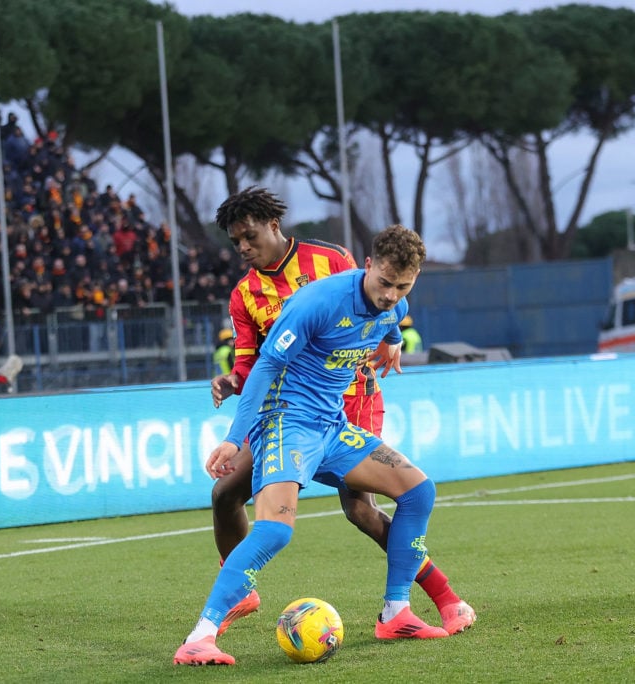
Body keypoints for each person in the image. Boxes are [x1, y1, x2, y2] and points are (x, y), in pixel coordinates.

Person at [175, 224, 453, 666]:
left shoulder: (395, 301)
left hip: (332, 426)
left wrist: (394, 344)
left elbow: (389, 320)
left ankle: (396, 611)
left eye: (402, 285)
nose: (390, 294)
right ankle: (200, 637)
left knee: (419, 490)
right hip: (285, 422)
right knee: (274, 530)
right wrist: (233, 439)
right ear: (366, 266)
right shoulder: (317, 302)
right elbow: (265, 369)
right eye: (384, 283)